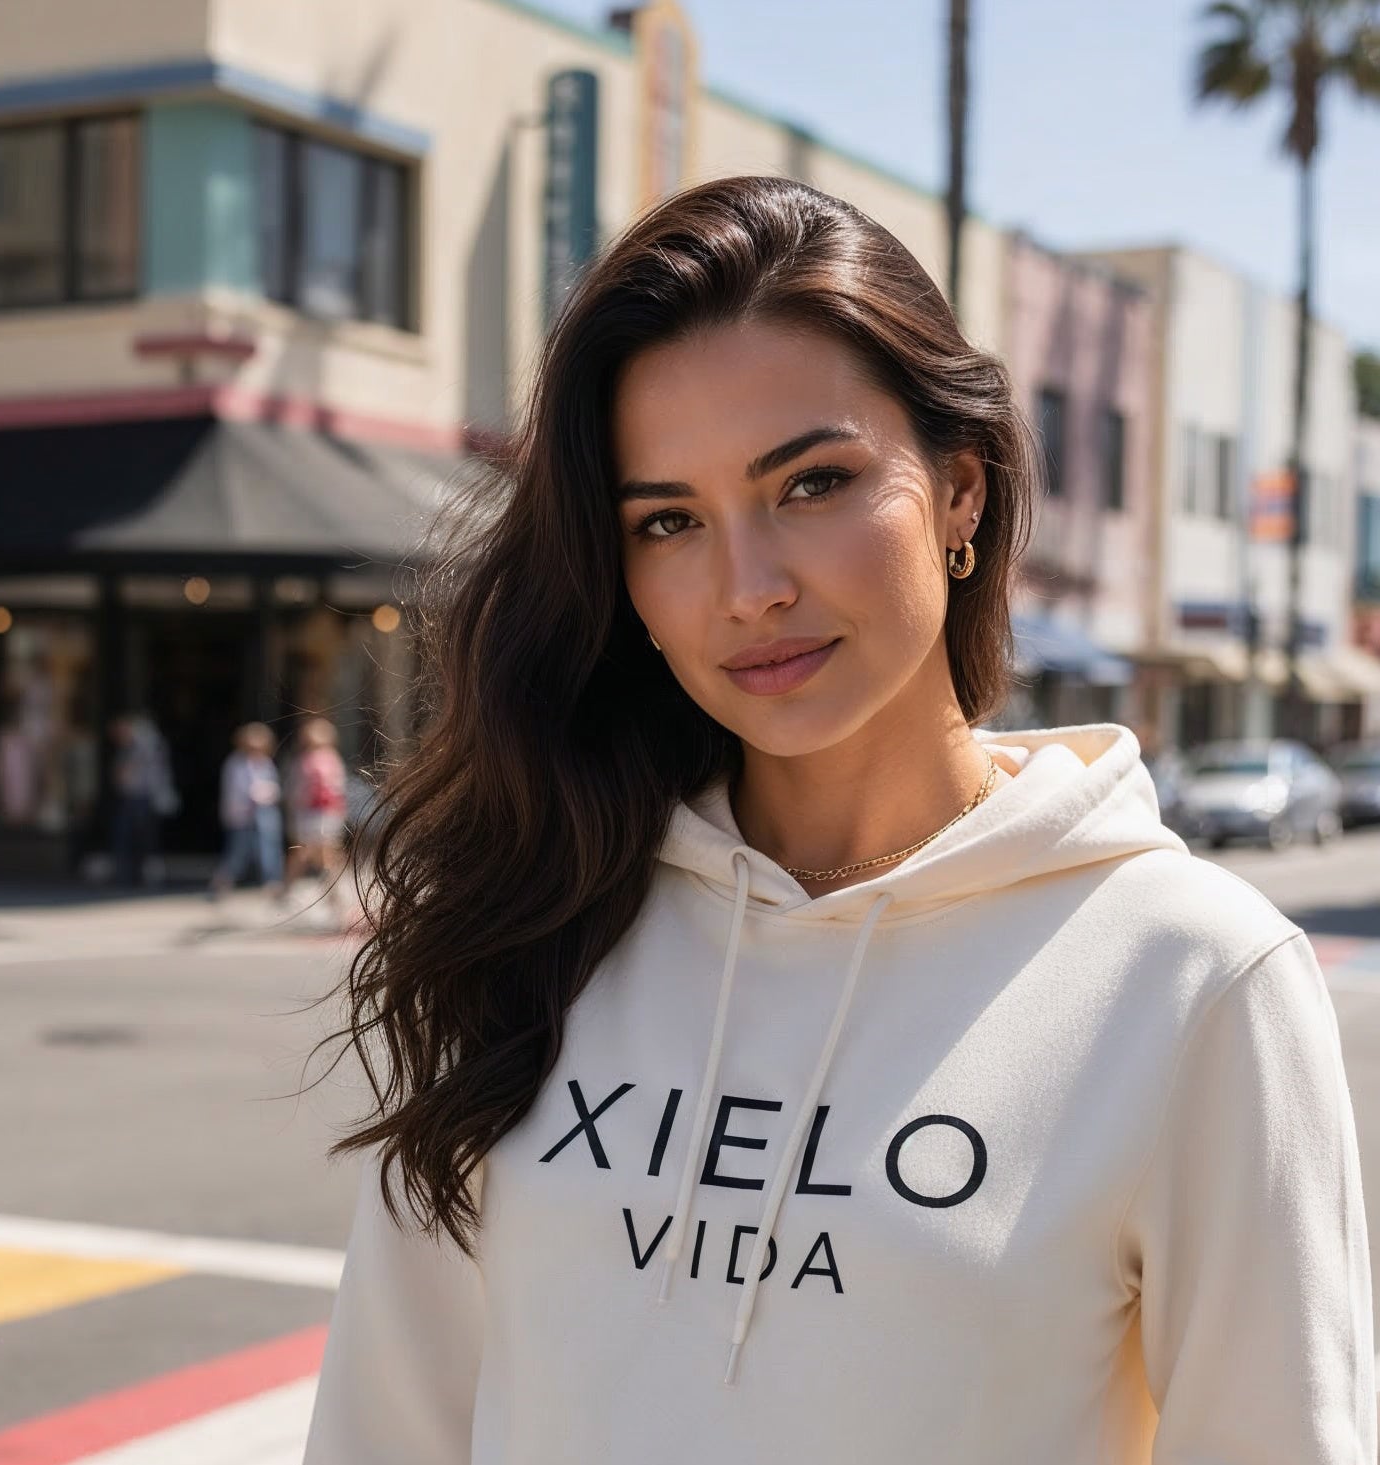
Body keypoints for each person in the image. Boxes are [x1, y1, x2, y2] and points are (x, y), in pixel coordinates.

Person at [300, 177, 1373, 1463]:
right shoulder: (540, 905)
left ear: (960, 492)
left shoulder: (1190, 976)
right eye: (668, 521)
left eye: (810, 484)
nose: (746, 587)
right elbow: (387, 1419)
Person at [284, 717, 352, 923]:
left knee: (324, 854)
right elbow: (296, 789)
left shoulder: (330, 759)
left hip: (326, 813)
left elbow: (337, 787)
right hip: (311, 814)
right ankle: (327, 894)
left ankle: (332, 895)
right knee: (309, 852)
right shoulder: (303, 760)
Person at [208, 721, 285, 902]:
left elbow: (274, 788)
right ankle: (221, 884)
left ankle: (273, 885)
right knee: (237, 853)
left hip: (264, 815)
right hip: (241, 817)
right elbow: (236, 791)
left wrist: (267, 793)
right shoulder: (235, 764)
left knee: (269, 850)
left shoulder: (265, 763)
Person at [108, 712, 176, 888]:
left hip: (141, 798)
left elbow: (128, 774)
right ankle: (129, 873)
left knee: (141, 837)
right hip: (133, 797)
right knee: (131, 837)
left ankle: (141, 873)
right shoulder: (130, 749)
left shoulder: (142, 749)